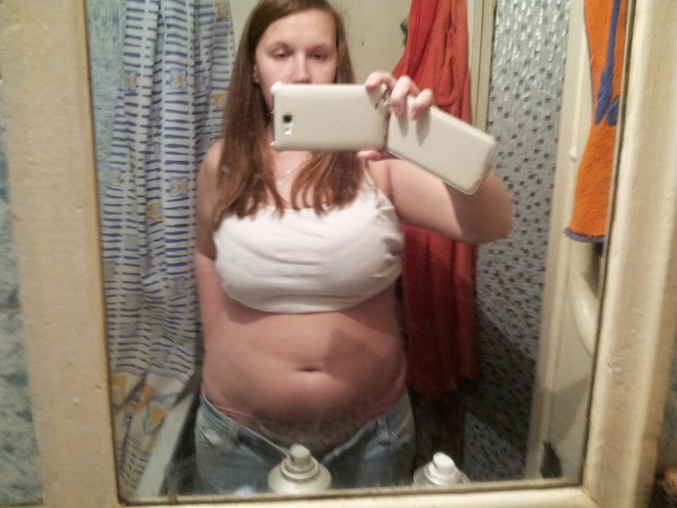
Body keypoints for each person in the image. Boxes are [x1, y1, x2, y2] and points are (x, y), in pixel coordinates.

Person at [193, 0, 512, 494]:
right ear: (254, 69)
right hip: (239, 437)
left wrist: (427, 137)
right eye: (281, 53)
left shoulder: (375, 159)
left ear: (337, 64)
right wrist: (220, 349)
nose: (301, 74)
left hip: (370, 439)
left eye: (318, 55)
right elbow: (206, 255)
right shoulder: (224, 163)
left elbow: (492, 222)